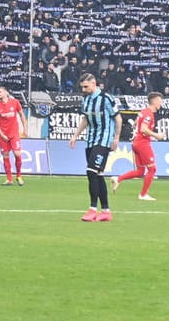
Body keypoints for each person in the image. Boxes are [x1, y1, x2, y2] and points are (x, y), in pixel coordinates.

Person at [69, 72, 118, 221]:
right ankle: (106, 211)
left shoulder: (107, 98)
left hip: (103, 141)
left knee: (91, 171)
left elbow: (119, 118)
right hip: (90, 140)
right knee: (98, 175)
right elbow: (85, 119)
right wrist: (76, 135)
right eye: (82, 87)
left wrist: (115, 138)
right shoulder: (86, 100)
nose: (83, 89)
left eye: (85, 86)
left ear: (93, 83)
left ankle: (92, 209)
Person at [113, 92, 163, 200]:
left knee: (140, 171)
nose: (161, 103)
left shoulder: (143, 111)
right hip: (143, 144)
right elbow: (143, 129)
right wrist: (157, 135)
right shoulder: (149, 114)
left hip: (136, 143)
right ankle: (143, 195)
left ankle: (118, 179)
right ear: (154, 101)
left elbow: (136, 123)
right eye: (159, 101)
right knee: (152, 169)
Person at [0, 85, 26, 185]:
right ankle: (9, 179)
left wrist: (25, 128)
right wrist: (1, 134)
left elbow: (21, 114)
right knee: (5, 155)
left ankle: (19, 176)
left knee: (17, 154)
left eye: (0, 92)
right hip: (3, 135)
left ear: (6, 92)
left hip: (14, 133)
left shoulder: (15, 102)